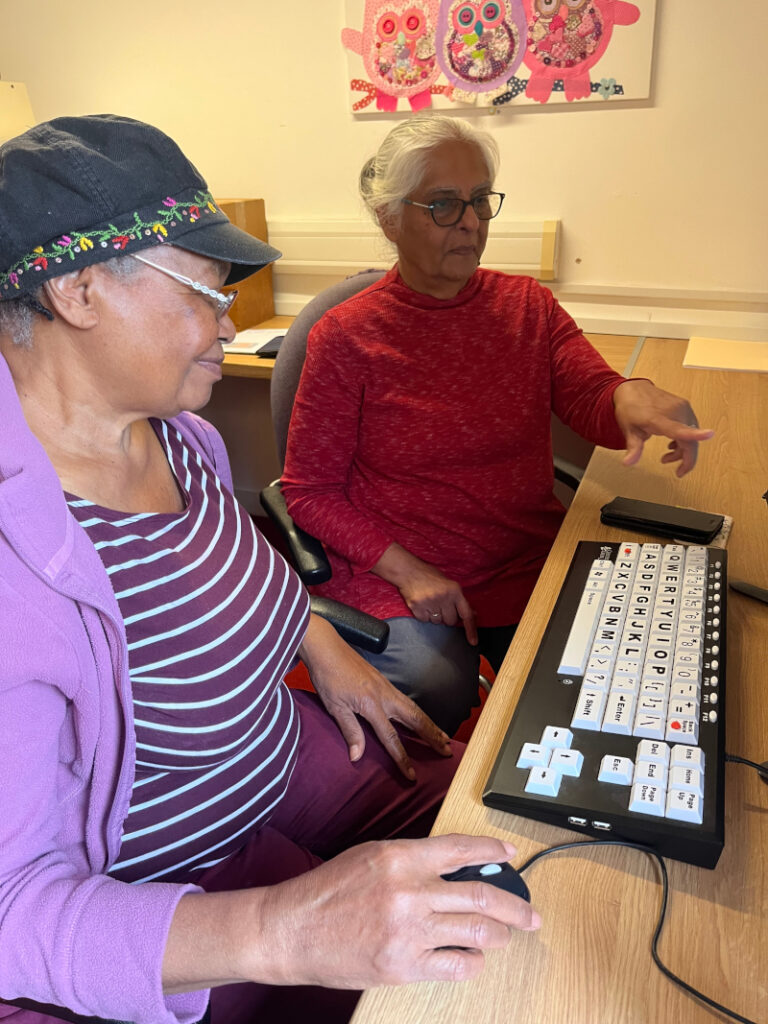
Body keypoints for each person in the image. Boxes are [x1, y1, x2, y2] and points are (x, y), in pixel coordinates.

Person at [0, 115, 540, 1024]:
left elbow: (227, 575)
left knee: (509, 828)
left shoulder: (184, 438)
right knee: (449, 987)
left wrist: (316, 635)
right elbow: (14, 915)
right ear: (79, 289)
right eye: (204, 292)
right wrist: (285, 930)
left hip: (278, 764)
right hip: (179, 888)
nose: (229, 320)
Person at [281, 114, 714, 737]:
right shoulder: (346, 338)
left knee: (616, 695)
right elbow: (309, 492)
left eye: (481, 200)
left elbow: (591, 391)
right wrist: (407, 569)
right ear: (389, 219)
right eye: (445, 204)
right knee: (433, 694)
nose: (472, 221)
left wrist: (633, 397)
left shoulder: (526, 307)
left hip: (524, 560)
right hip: (407, 571)